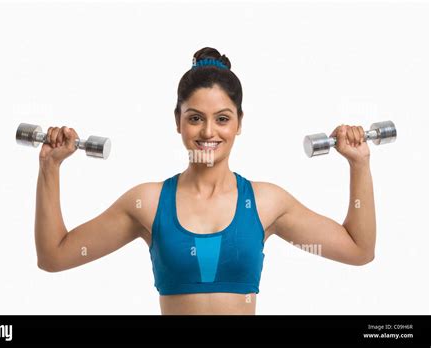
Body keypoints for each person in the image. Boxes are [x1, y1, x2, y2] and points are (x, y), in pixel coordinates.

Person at [35, 47, 376, 315]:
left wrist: (359, 164)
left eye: (222, 118)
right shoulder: (148, 203)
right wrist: (50, 166)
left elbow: (359, 250)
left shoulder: (266, 202)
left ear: (239, 123)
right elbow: (54, 256)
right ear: (178, 121)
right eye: (195, 118)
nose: (209, 132)